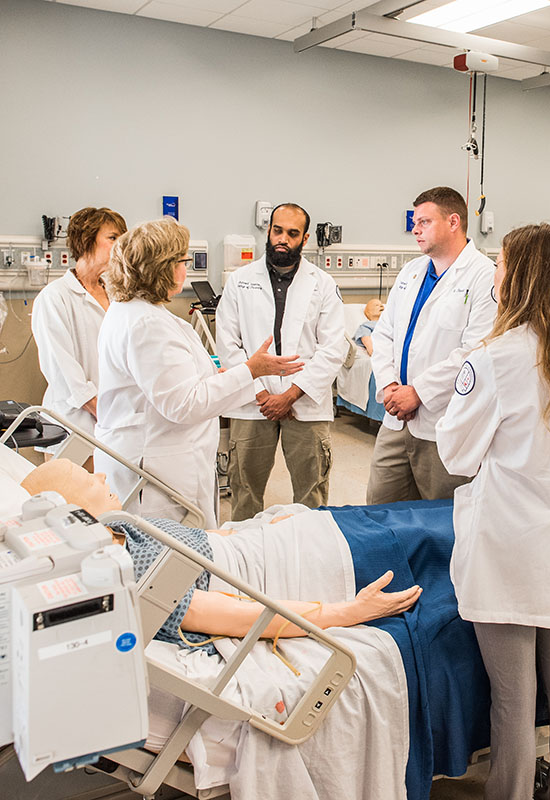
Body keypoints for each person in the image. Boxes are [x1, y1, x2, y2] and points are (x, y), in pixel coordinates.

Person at [436, 223, 550, 800]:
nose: (495, 273)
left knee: (512, 702)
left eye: (501, 264)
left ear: (522, 277)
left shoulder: (495, 359)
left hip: (509, 549)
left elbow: (457, 453)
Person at [20, 459, 421, 651]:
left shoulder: (118, 530)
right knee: (427, 536)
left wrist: (254, 529)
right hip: (311, 564)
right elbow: (249, 615)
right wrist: (347, 613)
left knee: (411, 516)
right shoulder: (133, 574)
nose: (103, 475)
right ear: (76, 515)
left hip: (286, 540)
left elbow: (199, 538)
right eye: (88, 479)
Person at [94, 217, 303, 529]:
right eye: (182, 261)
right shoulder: (145, 324)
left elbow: (173, 383)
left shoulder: (134, 312)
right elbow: (184, 404)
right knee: (173, 564)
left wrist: (226, 373)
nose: (186, 269)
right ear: (162, 267)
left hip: (155, 458)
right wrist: (251, 370)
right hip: (157, 471)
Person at [216, 203, 346, 520]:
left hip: (305, 403)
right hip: (252, 402)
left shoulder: (323, 284)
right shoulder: (240, 280)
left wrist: (289, 395)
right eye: (277, 230)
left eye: (292, 233)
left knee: (311, 494)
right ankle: (244, 562)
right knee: (244, 491)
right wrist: (261, 394)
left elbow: (333, 347)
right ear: (269, 230)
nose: (282, 239)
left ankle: (310, 556)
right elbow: (228, 343)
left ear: (304, 239)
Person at [366, 186, 496, 504]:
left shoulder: (483, 276)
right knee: (380, 507)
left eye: (424, 222)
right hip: (396, 417)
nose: (415, 229)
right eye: (415, 222)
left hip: (444, 421)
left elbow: (474, 353)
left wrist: (418, 392)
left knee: (442, 516)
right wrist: (390, 386)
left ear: (453, 222)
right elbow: (383, 335)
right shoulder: (411, 272)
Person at [31, 207, 127, 462]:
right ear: (86, 240)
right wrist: (102, 410)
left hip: (115, 426)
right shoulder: (54, 298)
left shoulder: (117, 295)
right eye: (113, 237)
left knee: (112, 500)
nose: (120, 245)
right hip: (74, 425)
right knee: (72, 500)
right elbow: (62, 370)